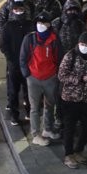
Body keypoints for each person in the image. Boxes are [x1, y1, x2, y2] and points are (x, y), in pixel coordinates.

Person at [56, 32, 87, 168]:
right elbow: (61, 75)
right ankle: (68, 155)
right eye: (82, 44)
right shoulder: (70, 56)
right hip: (70, 98)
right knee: (69, 128)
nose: (84, 47)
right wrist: (79, 79)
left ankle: (78, 150)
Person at [19, 12, 62, 147]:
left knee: (50, 105)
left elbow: (59, 58)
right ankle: (36, 134)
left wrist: (56, 75)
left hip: (50, 78)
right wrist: (27, 74)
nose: (41, 26)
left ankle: (47, 129)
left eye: (44, 23)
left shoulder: (55, 40)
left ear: (49, 25)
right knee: (34, 107)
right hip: (34, 79)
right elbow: (23, 58)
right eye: (39, 23)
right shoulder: (29, 39)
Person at [0, 0, 33, 125]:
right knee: (13, 91)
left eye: (21, 9)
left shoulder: (30, 26)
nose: (19, 12)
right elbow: (3, 45)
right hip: (13, 65)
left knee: (28, 90)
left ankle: (29, 112)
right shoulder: (8, 26)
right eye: (16, 10)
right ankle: (14, 115)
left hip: (29, 64)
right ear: (12, 11)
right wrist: (11, 59)